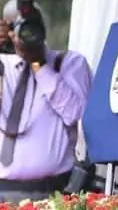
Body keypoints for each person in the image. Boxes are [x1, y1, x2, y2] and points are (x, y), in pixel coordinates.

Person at [0, 18, 92, 203]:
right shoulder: (4, 65)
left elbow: (76, 115)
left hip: (53, 193)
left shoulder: (70, 62)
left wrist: (38, 64)